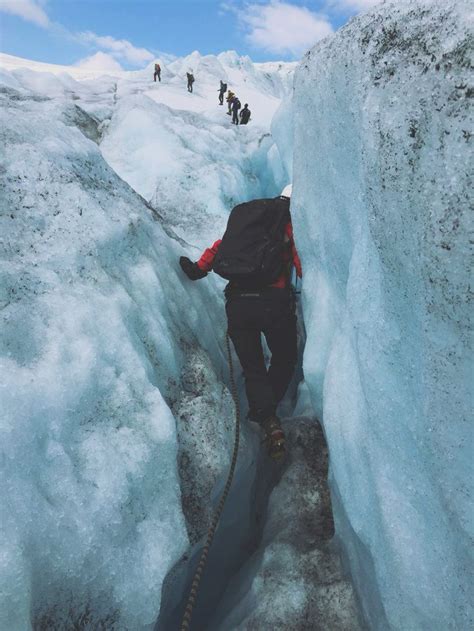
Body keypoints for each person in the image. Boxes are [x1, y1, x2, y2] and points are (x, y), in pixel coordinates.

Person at [179, 185, 301, 460]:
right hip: (273, 304)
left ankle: (267, 417)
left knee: (254, 367)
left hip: (238, 305)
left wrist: (198, 269)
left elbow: (222, 247)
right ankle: (265, 413)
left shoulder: (253, 223)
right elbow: (299, 260)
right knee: (284, 358)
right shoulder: (287, 224)